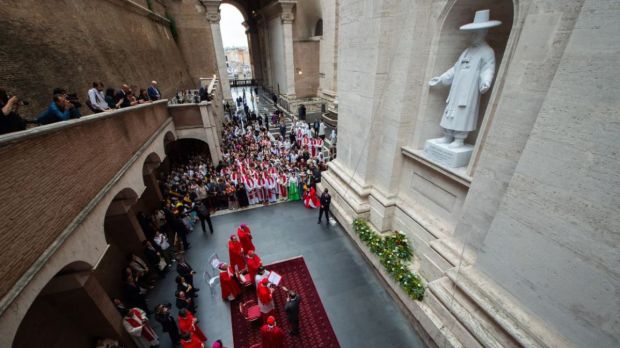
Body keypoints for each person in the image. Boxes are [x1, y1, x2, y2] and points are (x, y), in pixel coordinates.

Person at [428, 9, 500, 148]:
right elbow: (456, 68)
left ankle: (459, 139)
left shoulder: (487, 51)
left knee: (463, 114)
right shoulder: (467, 50)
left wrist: (486, 81)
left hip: (469, 91)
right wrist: (442, 78)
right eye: (472, 33)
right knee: (450, 111)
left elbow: (488, 68)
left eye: (476, 33)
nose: (473, 36)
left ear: (484, 32)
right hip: (456, 89)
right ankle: (447, 135)